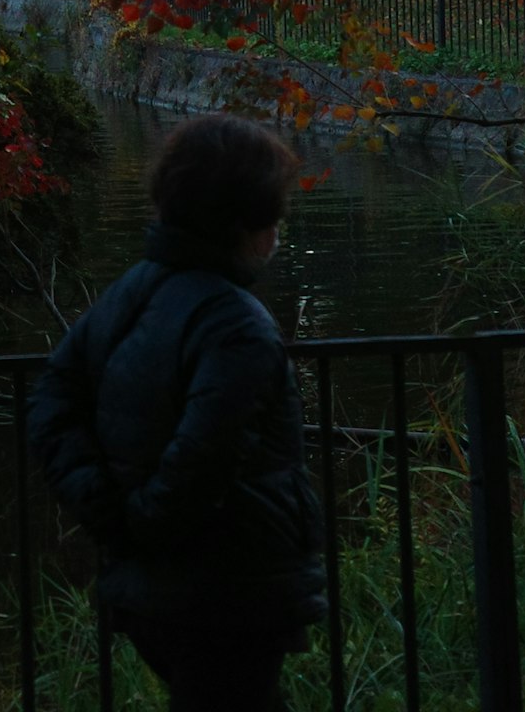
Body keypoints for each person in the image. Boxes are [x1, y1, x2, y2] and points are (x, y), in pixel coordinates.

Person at [25, 113, 327, 712]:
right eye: (275, 215)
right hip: (227, 588)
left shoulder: (131, 292)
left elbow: (51, 403)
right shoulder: (236, 324)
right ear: (246, 221)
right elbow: (207, 455)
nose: (278, 232)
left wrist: (106, 510)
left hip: (152, 593)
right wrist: (139, 522)